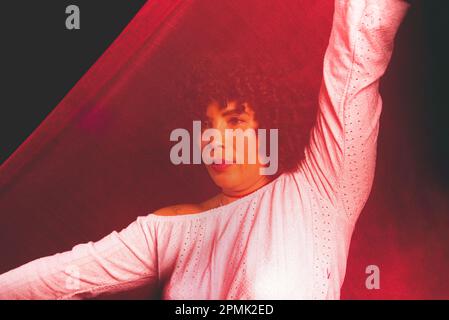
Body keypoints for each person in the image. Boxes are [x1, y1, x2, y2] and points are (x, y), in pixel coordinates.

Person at [0, 0, 410, 299]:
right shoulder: (169, 232)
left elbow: (358, 52)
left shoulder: (321, 191)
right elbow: (65, 274)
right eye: (205, 128)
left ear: (268, 126)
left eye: (233, 122)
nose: (215, 140)